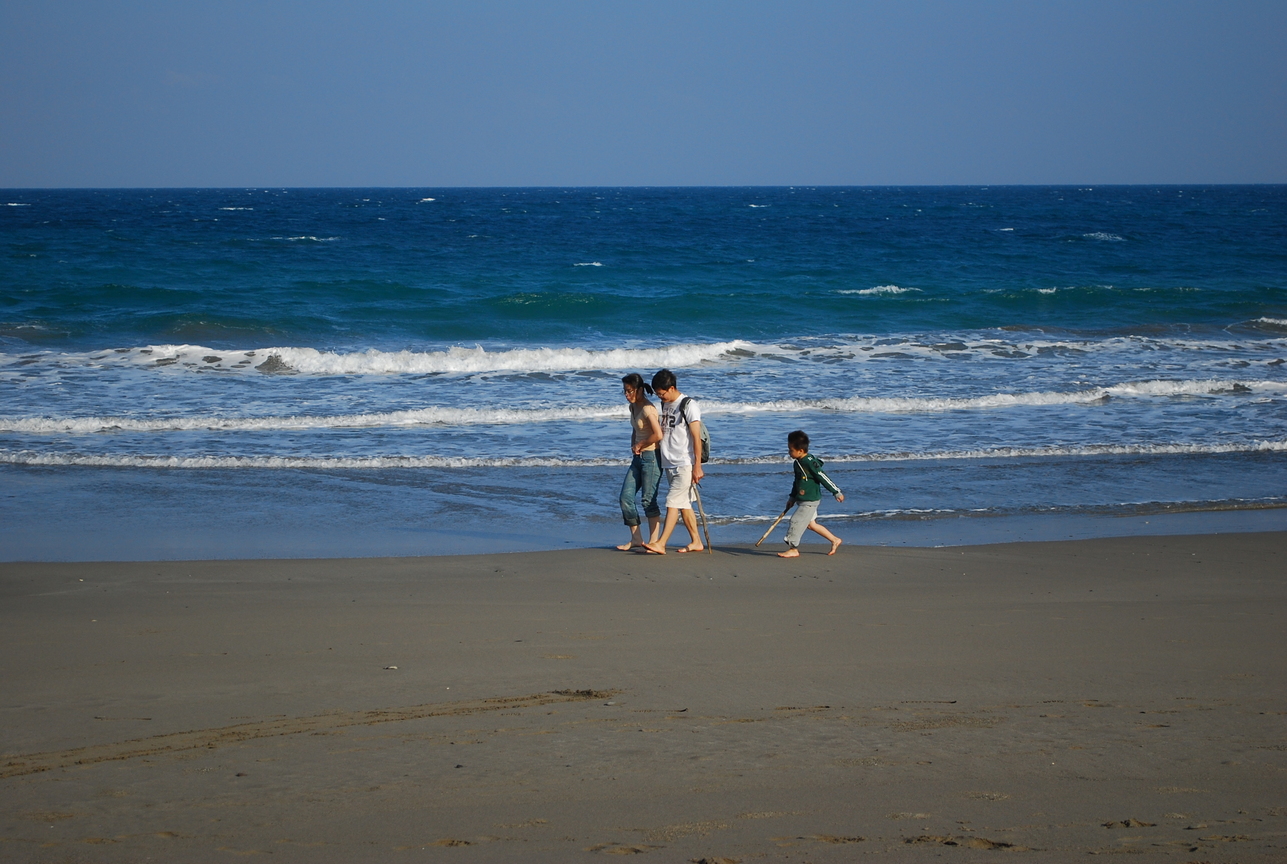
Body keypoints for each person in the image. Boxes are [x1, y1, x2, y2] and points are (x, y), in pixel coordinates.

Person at [642, 369, 705, 554]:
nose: (660, 397)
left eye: (661, 393)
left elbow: (696, 437)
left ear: (671, 388)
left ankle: (661, 543)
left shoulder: (689, 405)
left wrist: (697, 466)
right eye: (657, 394)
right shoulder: (665, 404)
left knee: (672, 502)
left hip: (684, 463)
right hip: (668, 462)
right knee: (684, 505)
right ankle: (696, 542)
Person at [778, 430, 844, 558]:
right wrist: (792, 497)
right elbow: (796, 482)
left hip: (810, 499)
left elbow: (822, 476)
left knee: (796, 521)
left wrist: (836, 491)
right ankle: (835, 540)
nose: (789, 452)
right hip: (802, 498)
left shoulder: (809, 462)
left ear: (800, 451)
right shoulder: (797, 463)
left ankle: (793, 548)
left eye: (791, 450)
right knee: (810, 524)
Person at [616, 373, 664, 551]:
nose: (627, 395)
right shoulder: (633, 407)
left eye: (629, 391)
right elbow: (635, 430)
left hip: (651, 457)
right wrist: (633, 445)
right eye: (625, 392)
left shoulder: (647, 409)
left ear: (639, 390)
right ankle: (636, 538)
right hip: (637, 458)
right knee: (625, 498)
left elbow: (658, 435)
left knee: (648, 500)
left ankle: (654, 541)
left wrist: (641, 444)